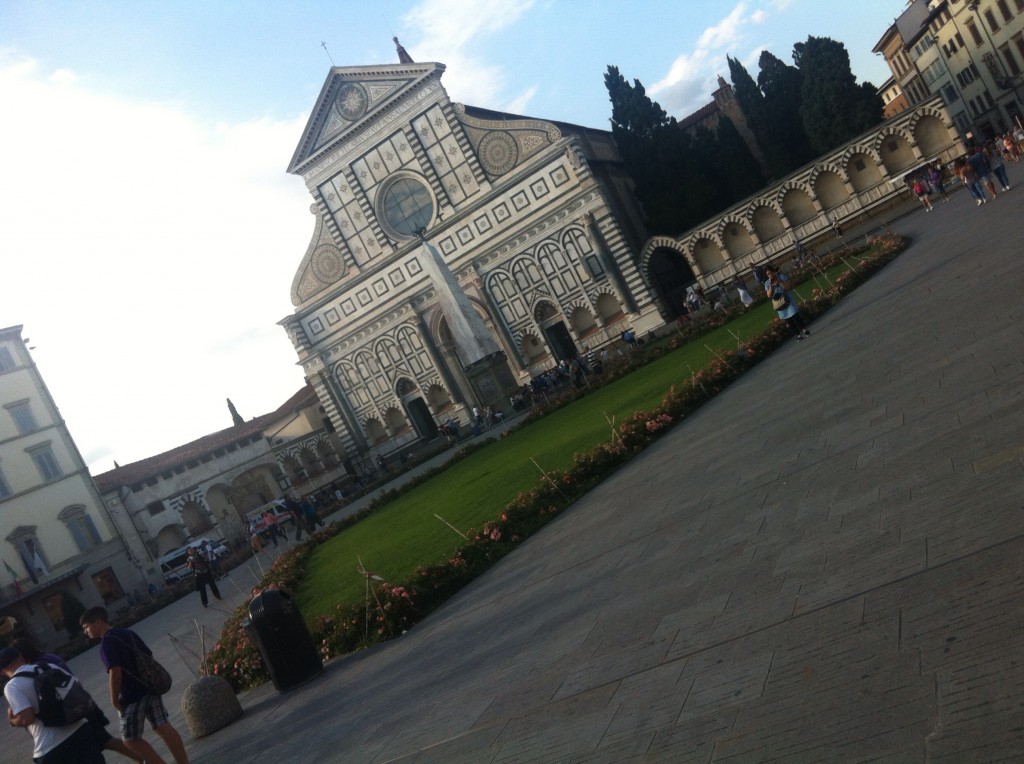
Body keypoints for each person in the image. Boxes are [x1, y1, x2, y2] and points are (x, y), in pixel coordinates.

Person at [80, 607, 189, 764]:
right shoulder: (128, 633)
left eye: (86, 627)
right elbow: (148, 656)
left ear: (98, 622)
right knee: (163, 726)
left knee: (130, 740)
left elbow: (115, 673)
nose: (86, 632)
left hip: (131, 696)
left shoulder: (107, 643)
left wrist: (114, 700)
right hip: (150, 687)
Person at [12, 639, 142, 763]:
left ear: (21, 655)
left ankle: (143, 757)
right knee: (102, 741)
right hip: (80, 702)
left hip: (71, 709)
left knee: (104, 740)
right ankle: (141, 757)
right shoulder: (49, 658)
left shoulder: (37, 667)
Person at [2, 645, 106, 763]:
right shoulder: (48, 667)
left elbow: (27, 718)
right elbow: (77, 685)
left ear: (1, 672)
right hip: (80, 730)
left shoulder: (12, 686)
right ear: (21, 657)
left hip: (51, 746)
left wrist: (13, 721)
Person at [763, 264, 811, 342]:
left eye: (771, 273)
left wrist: (779, 281)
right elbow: (769, 295)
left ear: (773, 271)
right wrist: (771, 286)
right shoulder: (767, 283)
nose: (770, 275)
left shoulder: (781, 276)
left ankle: (805, 330)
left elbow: (787, 287)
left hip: (787, 298)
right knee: (788, 319)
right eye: (768, 274)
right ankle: (798, 335)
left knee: (795, 315)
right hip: (779, 302)